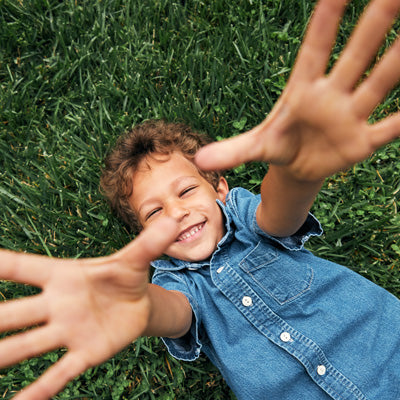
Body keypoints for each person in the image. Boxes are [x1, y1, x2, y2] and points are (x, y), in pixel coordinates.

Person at [0, 0, 399, 398]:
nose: (176, 213)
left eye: (187, 190)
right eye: (154, 212)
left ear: (220, 189)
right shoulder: (173, 283)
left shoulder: (245, 221)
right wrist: (138, 309)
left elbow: (280, 213)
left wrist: (295, 174)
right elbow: (170, 313)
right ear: (143, 236)